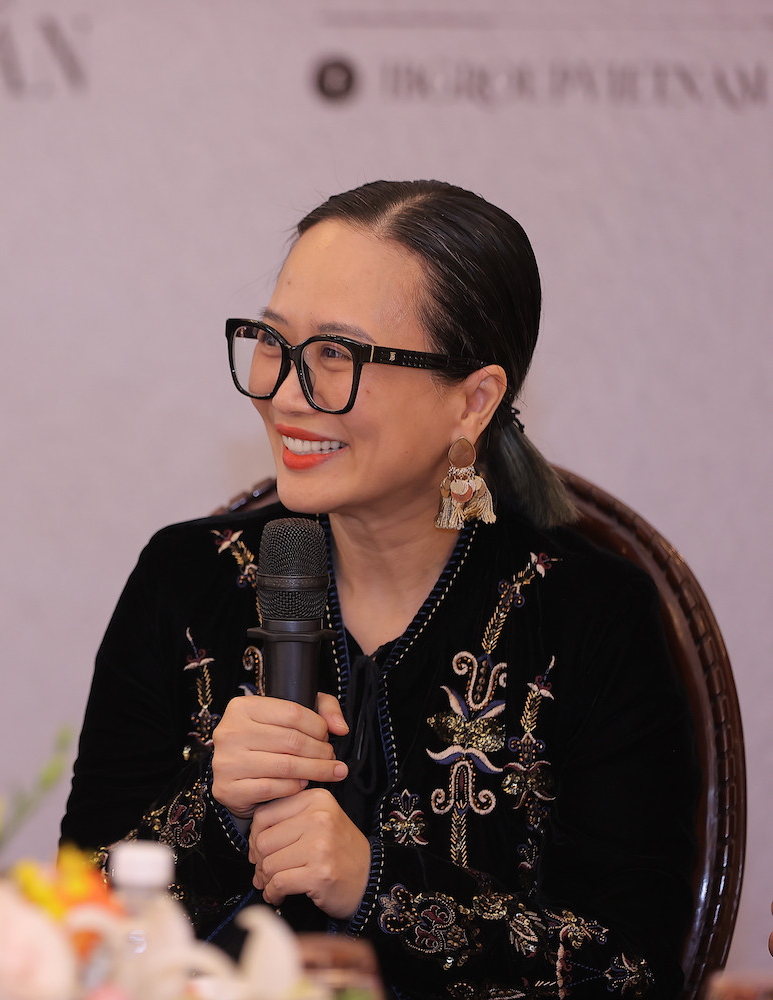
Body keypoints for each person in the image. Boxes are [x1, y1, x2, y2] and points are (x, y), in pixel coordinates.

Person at [62, 180, 698, 998]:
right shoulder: (189, 581)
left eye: (337, 354)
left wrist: (379, 889)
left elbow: (633, 975)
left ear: (473, 401)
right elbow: (74, 935)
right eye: (273, 341)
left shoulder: (590, 617)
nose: (287, 392)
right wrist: (218, 815)